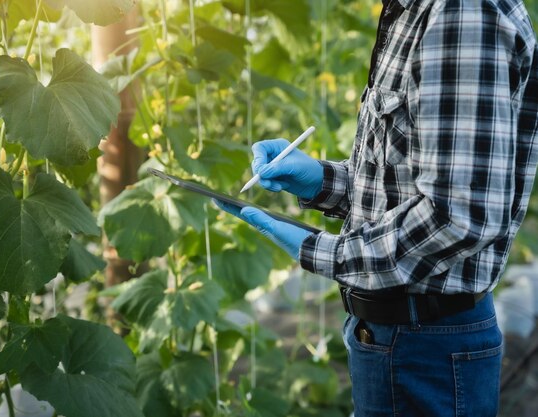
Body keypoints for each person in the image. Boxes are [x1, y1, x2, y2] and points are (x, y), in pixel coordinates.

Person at [215, 0, 538, 415]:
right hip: (401, 340)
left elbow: (458, 217)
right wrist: (321, 178)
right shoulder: (411, 10)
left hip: (427, 348)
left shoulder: (460, 12)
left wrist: (320, 250)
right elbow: (408, 183)